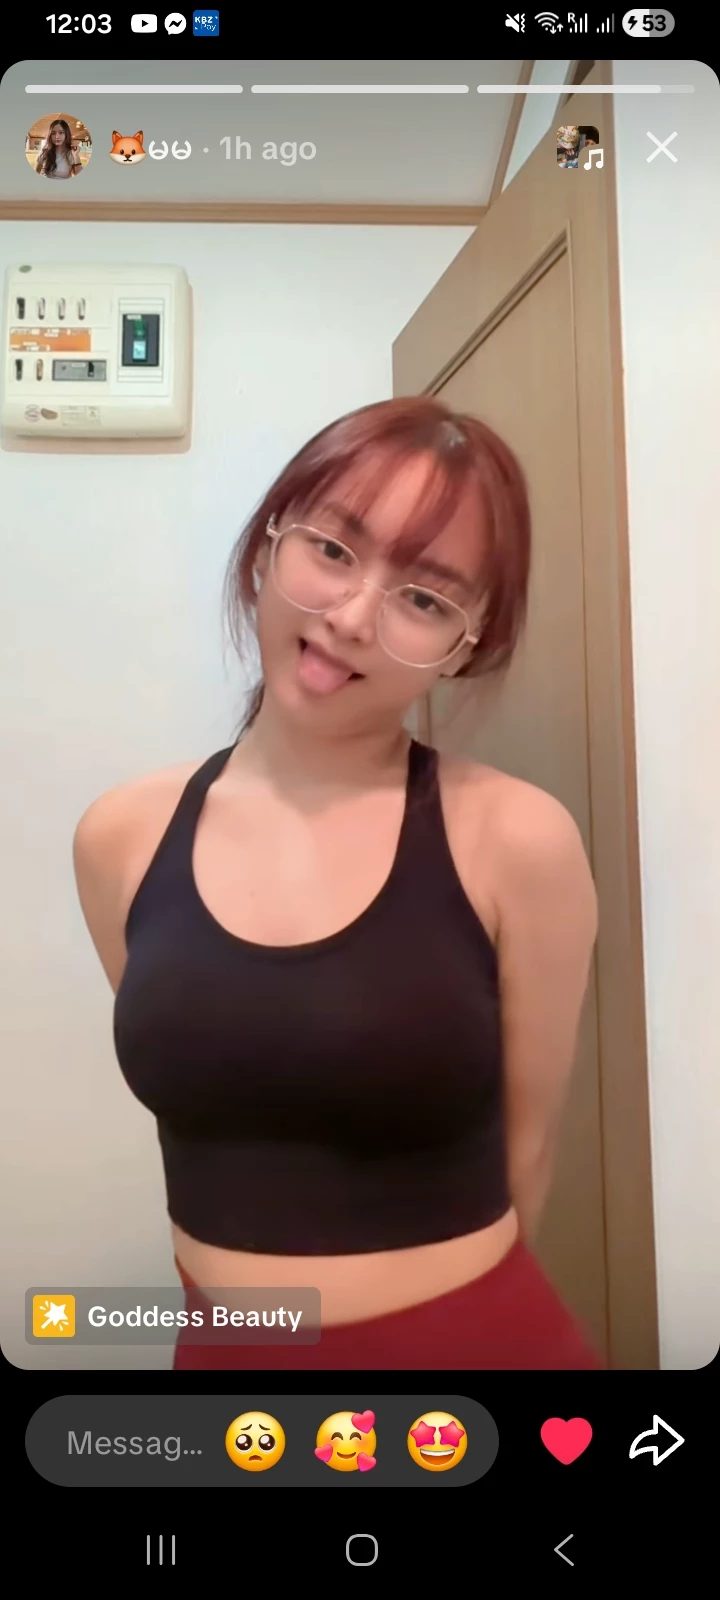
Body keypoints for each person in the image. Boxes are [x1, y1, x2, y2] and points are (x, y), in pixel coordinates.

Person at [73, 396, 603, 1370]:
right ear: (270, 541)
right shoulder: (122, 836)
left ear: (465, 644)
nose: (352, 618)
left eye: (425, 599)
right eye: (333, 549)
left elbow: (528, 1153)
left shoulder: (519, 840)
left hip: (467, 1363)